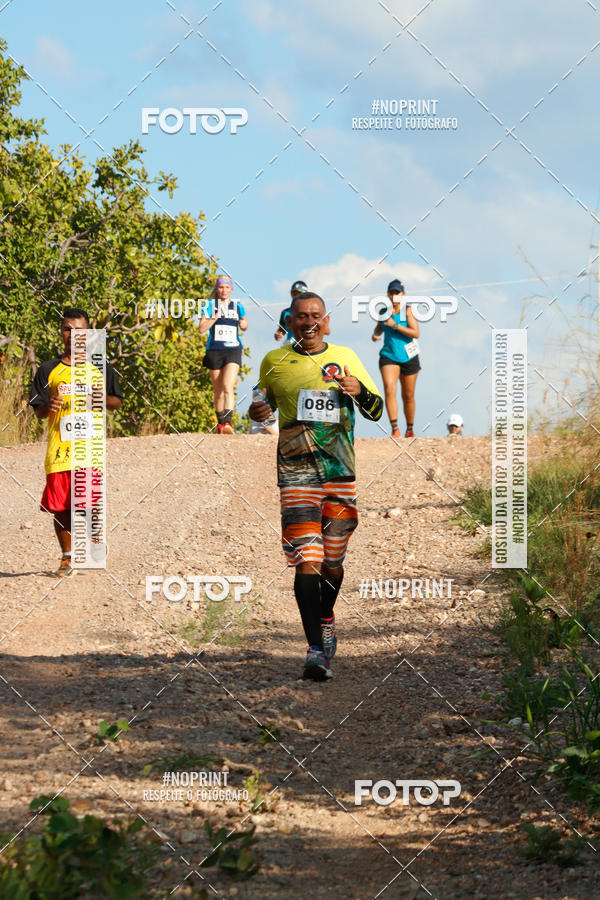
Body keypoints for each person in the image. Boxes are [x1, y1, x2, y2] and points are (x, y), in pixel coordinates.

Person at [250, 292, 383, 680]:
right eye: (300, 316)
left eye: (315, 316)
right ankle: (314, 650)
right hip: (295, 471)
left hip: (339, 469)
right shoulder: (275, 361)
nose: (308, 322)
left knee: (332, 563)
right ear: (289, 322)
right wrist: (257, 409)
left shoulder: (346, 357)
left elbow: (374, 411)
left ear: (326, 322)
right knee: (306, 559)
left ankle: (326, 615)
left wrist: (360, 391)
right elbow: (260, 404)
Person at [28, 308, 123, 576]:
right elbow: (37, 410)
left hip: (89, 450)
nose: (74, 335)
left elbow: (116, 401)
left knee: (88, 502)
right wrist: (49, 405)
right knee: (61, 507)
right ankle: (67, 557)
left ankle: (95, 534)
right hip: (59, 450)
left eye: (80, 330)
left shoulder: (100, 367)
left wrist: (100, 399)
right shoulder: (48, 369)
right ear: (62, 333)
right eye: (68, 329)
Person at [198, 275, 248, 434]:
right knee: (218, 390)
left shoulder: (237, 306)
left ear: (231, 289)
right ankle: (220, 424)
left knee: (228, 386)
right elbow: (201, 328)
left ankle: (228, 423)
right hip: (214, 350)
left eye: (227, 287)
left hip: (233, 349)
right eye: (221, 287)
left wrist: (243, 323)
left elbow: (245, 324)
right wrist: (215, 317)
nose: (224, 290)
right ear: (217, 289)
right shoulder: (209, 305)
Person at [371, 279, 420, 438]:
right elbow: (379, 328)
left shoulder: (408, 311)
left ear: (403, 294)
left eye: (397, 292)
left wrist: (395, 325)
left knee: (408, 395)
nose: (394, 296)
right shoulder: (383, 312)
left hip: (408, 356)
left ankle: (410, 429)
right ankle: (395, 429)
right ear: (387, 294)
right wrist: (376, 335)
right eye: (391, 292)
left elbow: (416, 333)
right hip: (388, 355)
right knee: (389, 388)